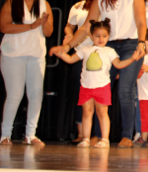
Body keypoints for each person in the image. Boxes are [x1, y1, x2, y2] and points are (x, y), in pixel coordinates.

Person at [50, 0, 147, 148]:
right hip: (107, 46)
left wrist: (141, 42)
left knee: (125, 90)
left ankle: (127, 135)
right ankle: (96, 135)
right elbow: (87, 27)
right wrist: (67, 47)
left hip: (131, 44)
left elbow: (141, 22)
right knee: (98, 88)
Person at [53, 19, 142, 148]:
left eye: (104, 36)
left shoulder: (110, 51)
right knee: (87, 112)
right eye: (97, 36)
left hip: (102, 87)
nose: (101, 39)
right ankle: (86, 139)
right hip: (86, 87)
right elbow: (71, 59)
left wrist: (132, 59)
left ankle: (105, 139)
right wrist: (61, 53)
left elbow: (118, 64)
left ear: (108, 37)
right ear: (91, 36)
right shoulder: (85, 49)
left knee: (102, 112)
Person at [0, 0, 54, 146]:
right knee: (15, 95)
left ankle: (30, 134)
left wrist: (43, 24)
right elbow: (4, 27)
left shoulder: (44, 4)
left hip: (36, 56)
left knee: (36, 95)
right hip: (13, 55)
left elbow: (48, 32)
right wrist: (31, 25)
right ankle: (5, 135)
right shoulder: (12, 3)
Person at [63, 0, 99, 143]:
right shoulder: (78, 7)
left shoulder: (107, 6)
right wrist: (69, 37)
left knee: (99, 94)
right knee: (81, 93)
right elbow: (69, 26)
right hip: (79, 53)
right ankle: (81, 133)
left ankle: (97, 134)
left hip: (98, 54)